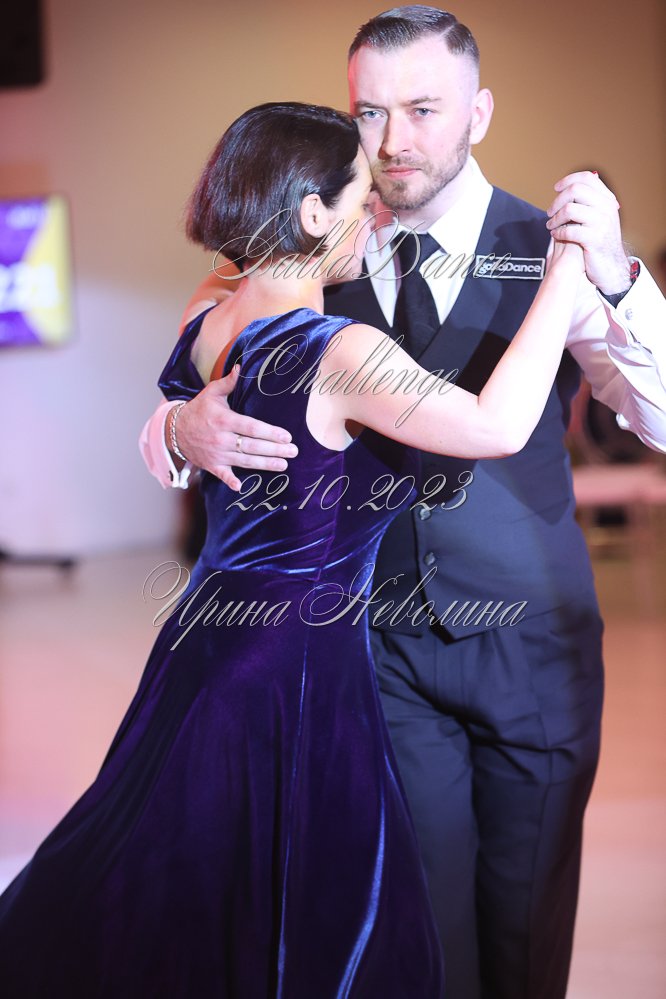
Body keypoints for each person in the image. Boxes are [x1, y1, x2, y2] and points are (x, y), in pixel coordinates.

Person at [0, 100, 585, 997]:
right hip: (297, 666)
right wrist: (567, 268)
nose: (375, 209)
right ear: (312, 211)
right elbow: (497, 424)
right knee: (302, 911)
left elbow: (213, 299)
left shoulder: (211, 323)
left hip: (201, 644)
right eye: (360, 194)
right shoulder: (339, 351)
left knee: (190, 884)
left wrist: (174, 419)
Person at [139, 9, 666, 999]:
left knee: (525, 937)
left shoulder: (549, 245)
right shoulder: (320, 243)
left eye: (422, 109)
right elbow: (196, 359)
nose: (390, 142)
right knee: (421, 938)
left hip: (532, 646)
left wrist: (621, 279)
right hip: (379, 655)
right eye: (369, 112)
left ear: (479, 113)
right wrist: (177, 429)